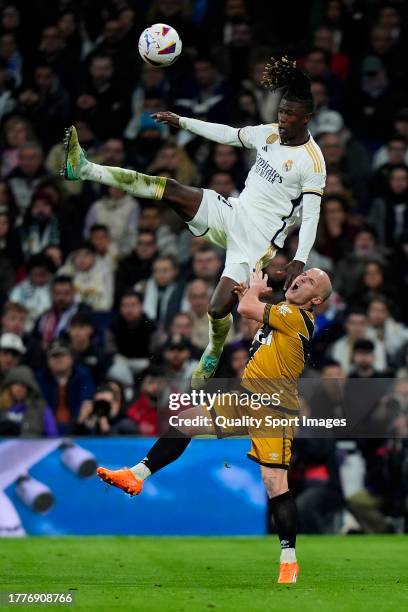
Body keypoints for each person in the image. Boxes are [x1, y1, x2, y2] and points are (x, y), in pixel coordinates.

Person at [62, 57, 326, 389]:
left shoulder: (313, 162)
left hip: (257, 243)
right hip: (232, 211)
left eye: (289, 115)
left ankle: (214, 350)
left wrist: (300, 258)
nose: (282, 119)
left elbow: (313, 215)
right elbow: (229, 135)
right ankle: (84, 169)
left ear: (307, 117)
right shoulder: (270, 134)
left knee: (217, 310)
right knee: (169, 188)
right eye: (281, 112)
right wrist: (182, 122)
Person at [97, 267, 332, 584]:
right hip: (245, 398)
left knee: (274, 482)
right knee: (185, 421)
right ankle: (136, 475)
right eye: (302, 276)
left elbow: (247, 309)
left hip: (274, 410)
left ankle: (289, 561)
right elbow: (252, 320)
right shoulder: (283, 315)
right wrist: (252, 294)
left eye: (311, 282)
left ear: (316, 299)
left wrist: (255, 291)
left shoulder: (293, 315)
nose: (301, 280)